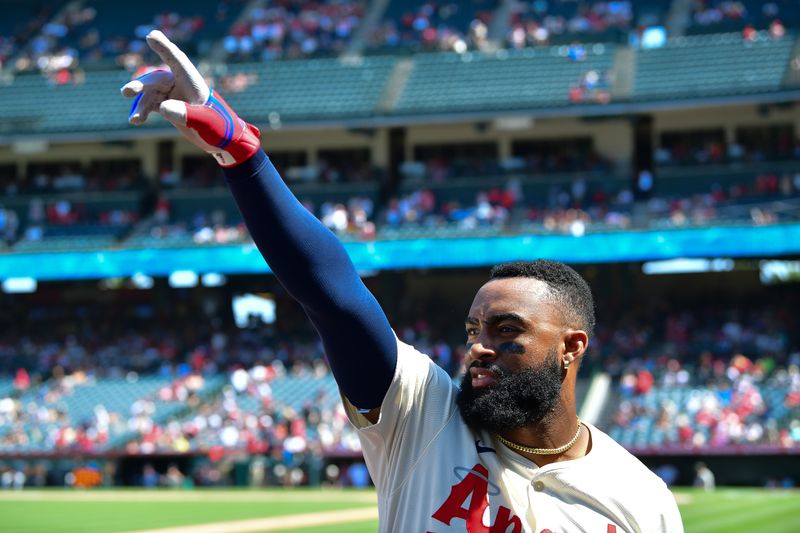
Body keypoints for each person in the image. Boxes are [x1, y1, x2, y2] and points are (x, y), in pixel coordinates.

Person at [122, 31, 684, 532]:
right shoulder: (423, 415)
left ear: (571, 347)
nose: (479, 347)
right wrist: (241, 153)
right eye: (473, 329)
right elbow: (335, 297)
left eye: (507, 330)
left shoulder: (641, 500)